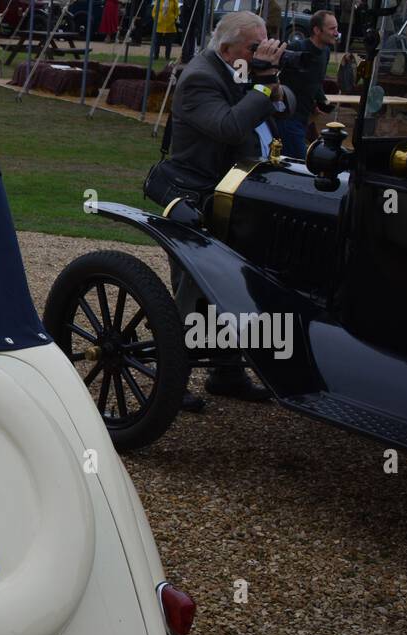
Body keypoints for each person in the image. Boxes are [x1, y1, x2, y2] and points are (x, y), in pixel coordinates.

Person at [150, 11, 289, 401]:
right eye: (254, 46)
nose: (263, 53)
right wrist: (263, 89)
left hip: (239, 193)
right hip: (198, 195)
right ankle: (168, 384)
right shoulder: (200, 78)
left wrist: (272, 86)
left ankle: (227, 374)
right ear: (227, 49)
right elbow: (229, 125)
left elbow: (287, 106)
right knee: (194, 289)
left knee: (236, 284)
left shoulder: (242, 68)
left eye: (265, 44)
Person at [278, 9, 338, 157]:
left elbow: (315, 82)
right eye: (332, 28)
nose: (336, 33)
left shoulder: (326, 52)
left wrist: (319, 102)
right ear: (317, 30)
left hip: (304, 117)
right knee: (302, 162)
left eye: (336, 28)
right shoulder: (297, 49)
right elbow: (276, 76)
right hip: (288, 118)